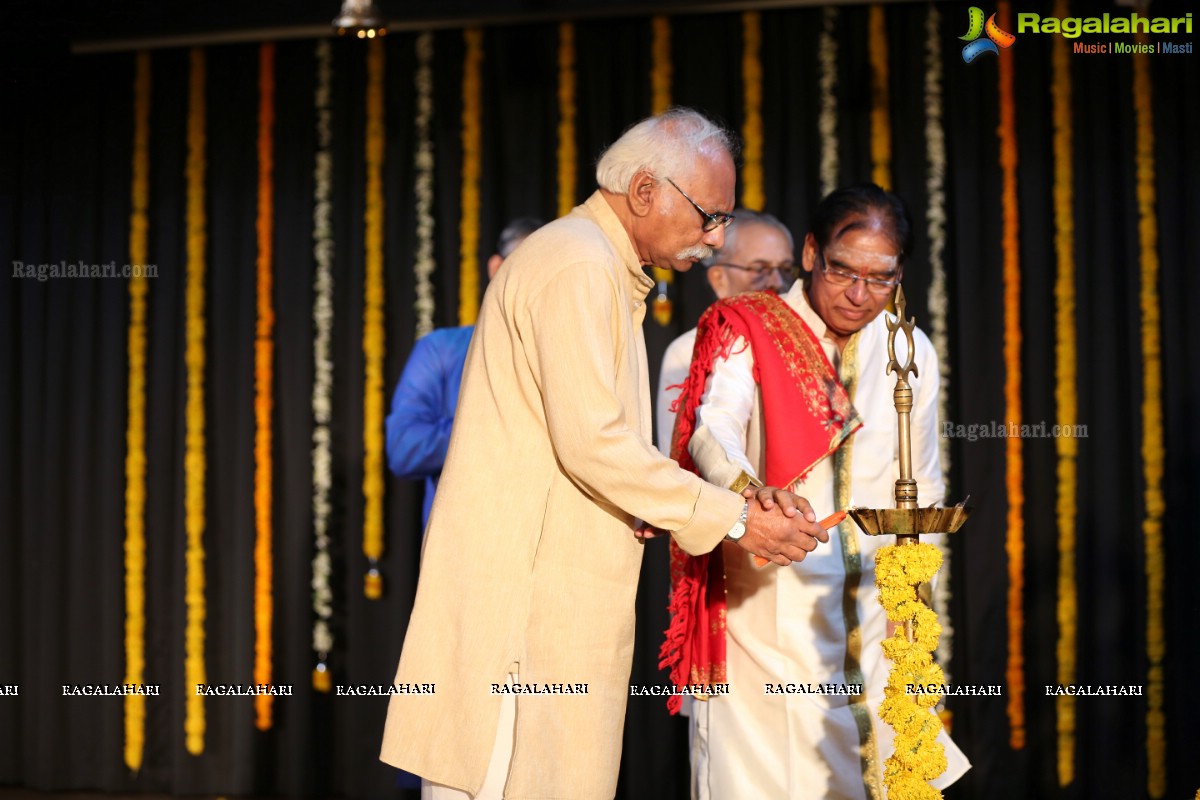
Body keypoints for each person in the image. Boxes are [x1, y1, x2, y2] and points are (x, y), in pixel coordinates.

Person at [378, 108, 841, 800]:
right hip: (524, 613)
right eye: (710, 216)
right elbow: (594, 442)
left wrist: (692, 502)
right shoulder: (578, 264)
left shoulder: (600, 266)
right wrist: (740, 518)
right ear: (647, 192)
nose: (715, 239)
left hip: (547, 593)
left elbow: (588, 448)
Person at [664, 184, 970, 799]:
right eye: (842, 271)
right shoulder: (751, 328)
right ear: (810, 253)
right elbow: (712, 430)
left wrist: (917, 602)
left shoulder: (909, 348)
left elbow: (927, 484)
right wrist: (750, 493)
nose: (859, 295)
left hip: (875, 617)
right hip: (767, 606)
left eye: (881, 279)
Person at [385, 217, 543, 527]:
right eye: (525, 264)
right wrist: (493, 426)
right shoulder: (442, 350)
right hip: (460, 549)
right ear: (496, 268)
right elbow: (404, 447)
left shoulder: (569, 355)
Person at [655, 208, 795, 455]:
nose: (776, 281)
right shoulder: (686, 351)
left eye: (785, 270)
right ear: (719, 279)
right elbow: (676, 455)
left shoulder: (801, 341)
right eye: (760, 269)